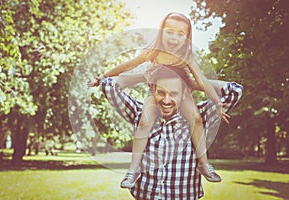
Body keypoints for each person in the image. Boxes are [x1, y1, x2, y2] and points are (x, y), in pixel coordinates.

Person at [88, 12, 229, 188]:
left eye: (180, 34)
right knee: (144, 122)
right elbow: (127, 65)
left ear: (186, 37)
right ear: (161, 31)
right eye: (169, 31)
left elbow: (202, 81)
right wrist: (101, 76)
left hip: (181, 91)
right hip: (157, 90)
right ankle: (133, 170)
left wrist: (216, 102)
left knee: (197, 119)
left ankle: (203, 164)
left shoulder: (187, 56)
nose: (174, 37)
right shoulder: (153, 51)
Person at [99, 66, 243, 199]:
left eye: (173, 93)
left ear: (184, 94)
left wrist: (192, 82)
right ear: (153, 90)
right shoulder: (140, 113)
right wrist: (145, 77)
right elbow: (108, 85)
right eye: (161, 92)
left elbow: (235, 90)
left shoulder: (200, 116)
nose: (166, 100)